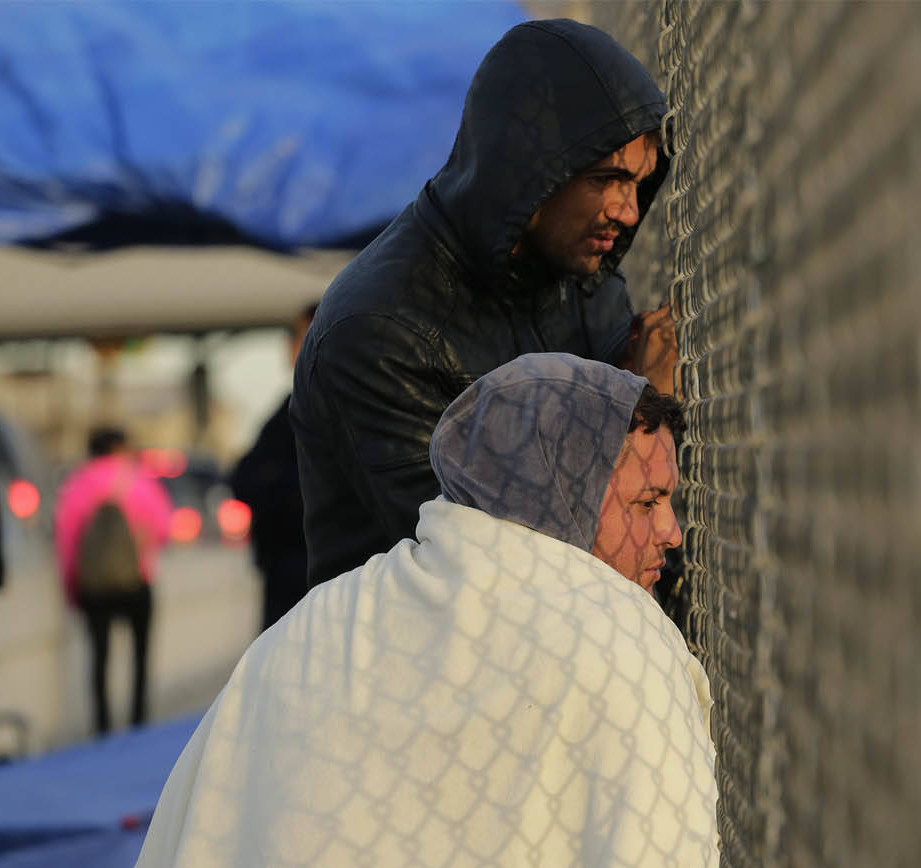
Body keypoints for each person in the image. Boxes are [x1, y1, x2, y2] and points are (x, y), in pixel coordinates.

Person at [136, 354, 718, 867]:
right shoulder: (626, 645)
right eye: (648, 501)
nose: (672, 532)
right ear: (560, 494)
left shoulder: (316, 629)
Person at [291, 18, 679, 588]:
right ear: (531, 170)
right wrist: (648, 413)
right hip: (414, 666)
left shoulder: (584, 285)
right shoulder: (378, 331)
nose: (627, 210)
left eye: (639, 184)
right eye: (607, 178)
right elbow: (494, 565)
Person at [54, 427, 172, 735]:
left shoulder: (77, 484)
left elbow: (66, 542)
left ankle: (103, 727)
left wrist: (71, 586)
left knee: (99, 657)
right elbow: (163, 528)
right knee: (140, 655)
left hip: (94, 585)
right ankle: (138, 722)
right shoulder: (140, 479)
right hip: (137, 580)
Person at [230, 303, 318, 631]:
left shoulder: (310, 412)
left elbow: (248, 479)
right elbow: (242, 478)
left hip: (309, 572)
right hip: (289, 568)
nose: (292, 351)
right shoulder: (287, 411)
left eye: (300, 339)